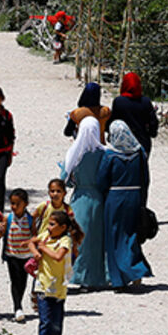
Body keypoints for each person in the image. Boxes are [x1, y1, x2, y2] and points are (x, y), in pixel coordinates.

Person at [101, 120, 152, 288]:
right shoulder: (139, 154)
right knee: (131, 235)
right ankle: (137, 270)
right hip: (134, 196)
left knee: (114, 236)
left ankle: (119, 278)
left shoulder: (110, 156)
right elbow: (146, 179)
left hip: (115, 198)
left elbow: (102, 180)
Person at [65, 116, 109, 288]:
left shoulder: (75, 153)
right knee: (97, 239)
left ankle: (77, 275)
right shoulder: (104, 152)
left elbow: (66, 180)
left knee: (79, 238)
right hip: (98, 198)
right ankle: (97, 276)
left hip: (80, 199)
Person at [31, 210, 81, 335]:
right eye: (48, 224)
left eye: (52, 224)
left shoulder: (65, 240)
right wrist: (35, 252)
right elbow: (31, 241)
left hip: (59, 287)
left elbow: (58, 257)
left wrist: (42, 248)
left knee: (57, 320)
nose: (48, 227)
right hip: (43, 285)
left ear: (63, 227)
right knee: (45, 320)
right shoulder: (46, 235)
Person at [3, 188, 37, 323]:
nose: (14, 207)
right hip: (12, 255)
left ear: (25, 204)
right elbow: (1, 234)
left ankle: (19, 304)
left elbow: (34, 236)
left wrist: (30, 244)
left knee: (22, 281)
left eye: (17, 204)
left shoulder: (30, 219)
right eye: (12, 203)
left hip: (26, 256)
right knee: (14, 281)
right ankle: (17, 307)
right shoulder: (8, 218)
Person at [110, 72, 159, 156]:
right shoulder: (146, 102)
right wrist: (152, 133)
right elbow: (153, 122)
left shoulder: (118, 102)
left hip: (122, 145)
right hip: (142, 144)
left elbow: (113, 122)